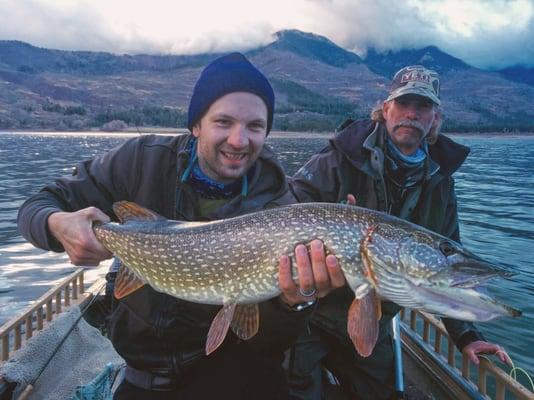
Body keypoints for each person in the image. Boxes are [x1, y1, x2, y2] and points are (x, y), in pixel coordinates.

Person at [17, 52, 344, 400]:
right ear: (195, 124)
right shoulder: (142, 160)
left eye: (254, 126)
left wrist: (295, 302)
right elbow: (36, 206)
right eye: (223, 122)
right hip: (148, 368)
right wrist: (56, 225)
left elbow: (268, 340)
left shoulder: (279, 203)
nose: (239, 140)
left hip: (239, 364)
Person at [287, 65, 512, 400]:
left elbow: (445, 263)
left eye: (422, 107)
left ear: (435, 117)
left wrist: (466, 335)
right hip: (309, 313)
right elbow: (286, 208)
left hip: (375, 316)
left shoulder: (440, 182)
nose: (411, 114)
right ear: (386, 108)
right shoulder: (338, 158)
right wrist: (327, 221)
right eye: (403, 103)